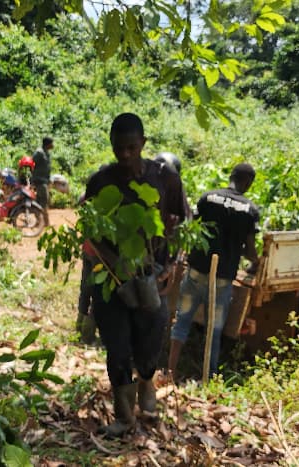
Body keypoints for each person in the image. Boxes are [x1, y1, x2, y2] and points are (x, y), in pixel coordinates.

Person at [84, 113, 187, 437]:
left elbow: (183, 224)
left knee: (150, 341)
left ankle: (146, 385)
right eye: (119, 149)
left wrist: (172, 265)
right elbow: (89, 232)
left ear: (143, 143)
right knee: (116, 348)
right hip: (113, 279)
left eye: (131, 147)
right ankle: (124, 415)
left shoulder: (165, 178)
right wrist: (114, 262)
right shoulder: (101, 182)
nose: (125, 155)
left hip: (152, 275)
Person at [167, 163, 260, 381]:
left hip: (197, 270)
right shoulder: (249, 210)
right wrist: (255, 261)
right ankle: (208, 378)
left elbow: (192, 229)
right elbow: (249, 249)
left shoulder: (208, 198)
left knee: (181, 322)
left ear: (231, 176)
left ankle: (170, 370)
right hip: (222, 278)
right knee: (214, 330)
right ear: (248, 182)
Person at [31, 137, 54, 225]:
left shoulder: (46, 153)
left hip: (44, 180)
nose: (53, 145)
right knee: (43, 200)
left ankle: (40, 221)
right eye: (52, 143)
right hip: (39, 181)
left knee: (41, 201)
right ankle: (44, 222)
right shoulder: (39, 153)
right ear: (48, 144)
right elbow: (32, 164)